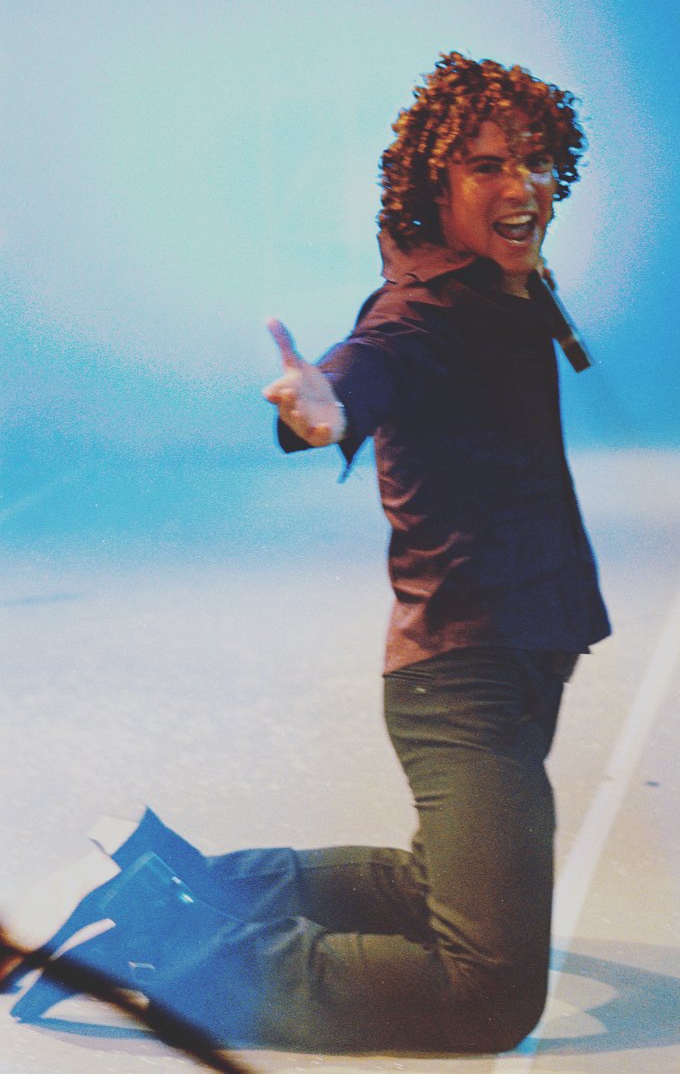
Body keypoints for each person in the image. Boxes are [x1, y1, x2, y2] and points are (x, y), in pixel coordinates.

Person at [3, 52, 610, 1054]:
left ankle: (164, 876)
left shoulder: (496, 285)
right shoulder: (425, 310)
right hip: (466, 676)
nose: (523, 185)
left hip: (515, 654)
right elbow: (363, 370)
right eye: (488, 165)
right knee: (488, 997)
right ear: (435, 186)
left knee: (427, 887)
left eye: (538, 162)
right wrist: (322, 406)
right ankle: (159, 940)